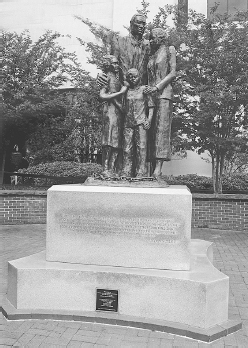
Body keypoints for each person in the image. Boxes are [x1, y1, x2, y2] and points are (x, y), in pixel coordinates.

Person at [144, 28, 176, 178]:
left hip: (164, 94)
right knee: (149, 129)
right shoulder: (151, 54)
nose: (150, 40)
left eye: (152, 38)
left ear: (160, 37)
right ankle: (148, 167)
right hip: (150, 96)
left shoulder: (170, 50)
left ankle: (158, 168)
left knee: (161, 130)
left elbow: (173, 73)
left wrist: (157, 87)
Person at [97, 13, 150, 89]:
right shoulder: (119, 42)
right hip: (123, 89)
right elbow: (111, 65)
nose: (141, 26)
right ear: (131, 24)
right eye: (138, 23)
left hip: (143, 91)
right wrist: (102, 75)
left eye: (143, 24)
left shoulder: (149, 45)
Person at [122, 68, 155, 178]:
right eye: (130, 76)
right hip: (128, 123)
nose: (132, 79)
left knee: (141, 148)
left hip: (141, 122)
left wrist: (149, 120)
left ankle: (141, 172)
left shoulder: (144, 89)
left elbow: (151, 106)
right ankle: (126, 171)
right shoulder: (126, 91)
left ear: (139, 77)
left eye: (134, 76)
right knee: (127, 149)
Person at [99, 55, 128, 177]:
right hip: (110, 111)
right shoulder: (106, 78)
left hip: (119, 113)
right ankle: (105, 168)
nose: (117, 66)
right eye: (114, 63)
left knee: (117, 142)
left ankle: (112, 168)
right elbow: (102, 96)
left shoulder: (117, 79)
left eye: (117, 63)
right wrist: (120, 93)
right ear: (108, 64)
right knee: (109, 141)